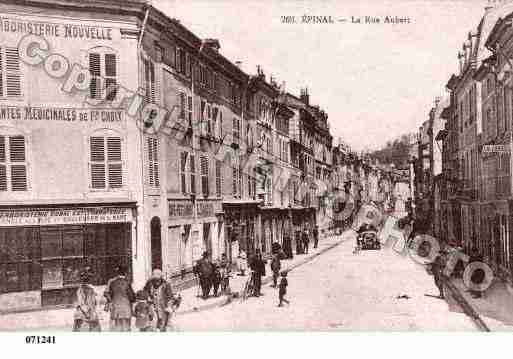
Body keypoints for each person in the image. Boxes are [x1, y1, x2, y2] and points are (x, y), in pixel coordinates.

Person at [104, 265, 136, 331]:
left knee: (117, 328)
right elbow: (132, 297)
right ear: (124, 273)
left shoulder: (112, 282)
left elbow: (107, 294)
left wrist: (110, 301)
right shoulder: (127, 282)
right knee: (126, 328)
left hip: (115, 309)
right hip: (126, 309)